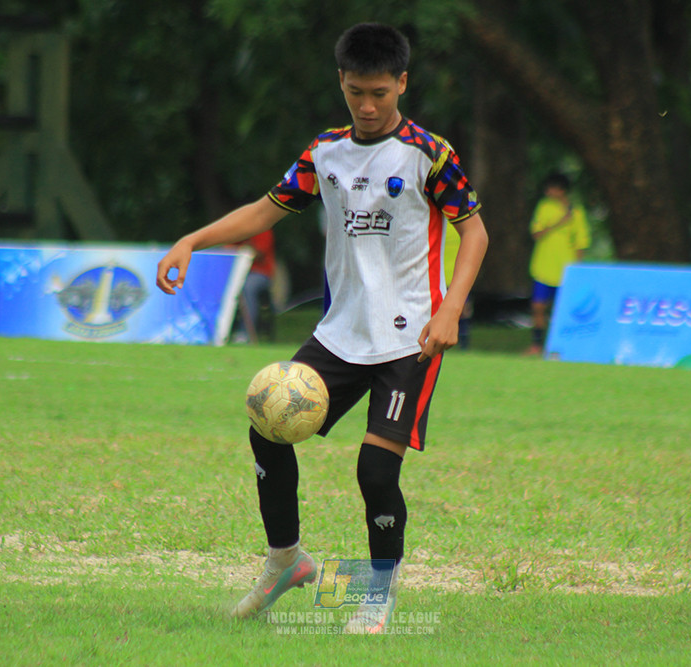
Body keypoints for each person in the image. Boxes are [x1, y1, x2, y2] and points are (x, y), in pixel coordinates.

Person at [156, 22, 488, 634]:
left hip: (409, 336)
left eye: (380, 93)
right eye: (357, 91)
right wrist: (192, 241)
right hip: (340, 333)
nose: (367, 105)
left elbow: (475, 231)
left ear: (402, 84)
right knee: (267, 428)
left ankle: (376, 595)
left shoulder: (429, 153)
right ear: (341, 81)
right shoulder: (324, 151)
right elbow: (266, 208)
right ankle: (286, 560)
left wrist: (450, 309)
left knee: (375, 472)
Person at [526, 172, 589, 356]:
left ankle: (560, 347)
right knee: (538, 306)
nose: (548, 191)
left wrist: (578, 269)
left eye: (552, 188)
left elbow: (581, 243)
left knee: (562, 309)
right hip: (543, 267)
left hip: (565, 269)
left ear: (561, 190)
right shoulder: (544, 207)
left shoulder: (577, 212)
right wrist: (560, 222)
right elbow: (536, 233)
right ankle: (536, 345)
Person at [231, 229, 276, 343]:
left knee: (248, 287)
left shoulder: (263, 229)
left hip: (260, 273)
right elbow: (227, 249)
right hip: (236, 273)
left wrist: (245, 241)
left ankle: (246, 333)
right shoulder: (237, 228)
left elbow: (260, 253)